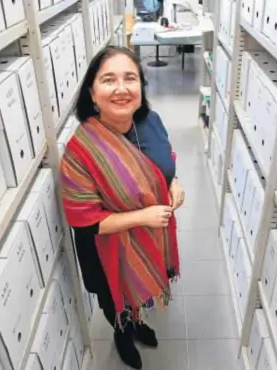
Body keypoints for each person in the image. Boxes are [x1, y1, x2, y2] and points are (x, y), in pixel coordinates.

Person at [59, 46, 185, 369]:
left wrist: (173, 185)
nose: (121, 88)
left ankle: (138, 322)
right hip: (106, 249)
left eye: (130, 78)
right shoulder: (81, 150)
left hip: (148, 237)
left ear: (141, 87)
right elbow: (86, 221)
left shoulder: (151, 122)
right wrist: (144, 216)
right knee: (115, 301)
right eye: (108, 80)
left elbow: (163, 164)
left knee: (140, 293)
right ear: (93, 92)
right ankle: (122, 335)